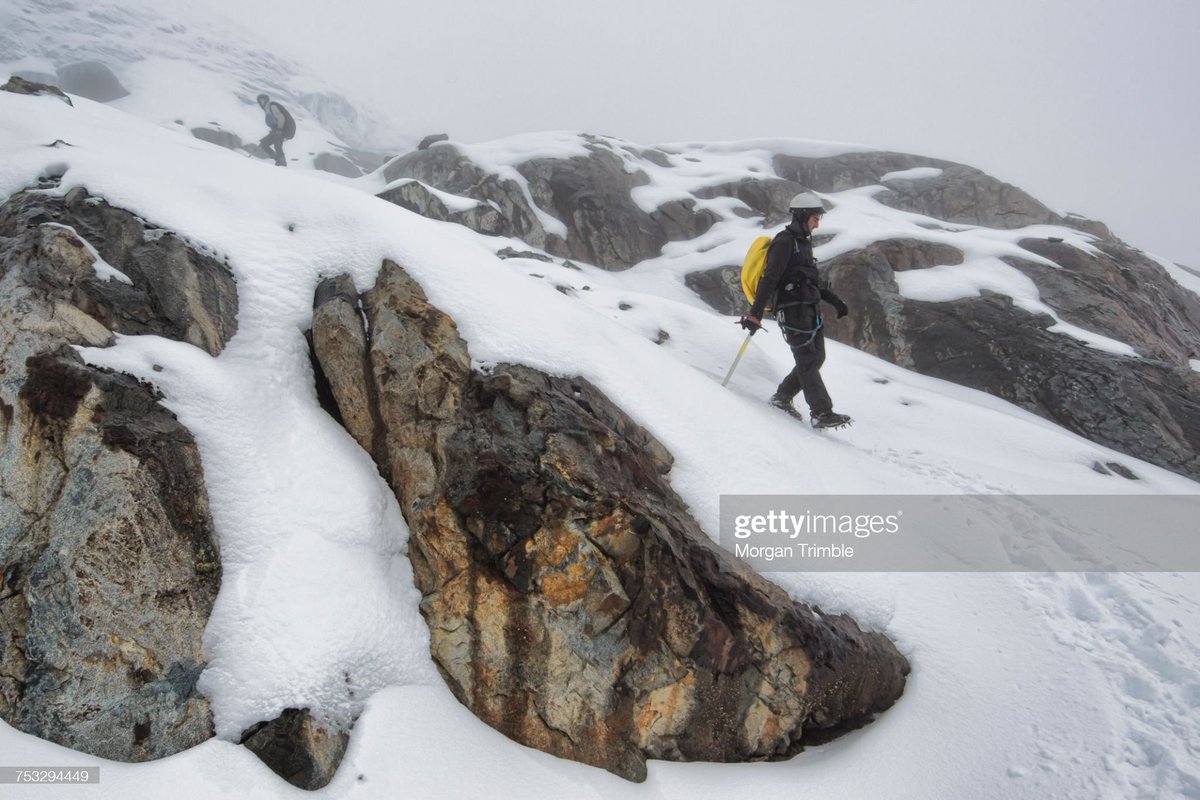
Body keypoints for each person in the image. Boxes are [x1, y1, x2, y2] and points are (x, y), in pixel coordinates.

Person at [739, 192, 852, 429]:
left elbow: (812, 281)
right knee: (807, 359)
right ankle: (821, 412)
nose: (817, 223)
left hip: (809, 309)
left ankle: (782, 397)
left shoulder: (804, 244)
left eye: (818, 218)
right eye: (814, 218)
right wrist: (755, 314)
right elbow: (769, 279)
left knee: (816, 357)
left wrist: (836, 302)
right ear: (801, 216)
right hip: (792, 311)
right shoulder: (784, 242)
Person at [256, 93, 292, 166]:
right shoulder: (267, 110)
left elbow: (281, 118)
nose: (261, 102)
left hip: (284, 129)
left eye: (262, 100)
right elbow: (274, 124)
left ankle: (282, 162)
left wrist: (279, 129)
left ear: (266, 100)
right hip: (277, 130)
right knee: (264, 143)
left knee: (277, 143)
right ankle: (276, 158)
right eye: (260, 101)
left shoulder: (272, 106)